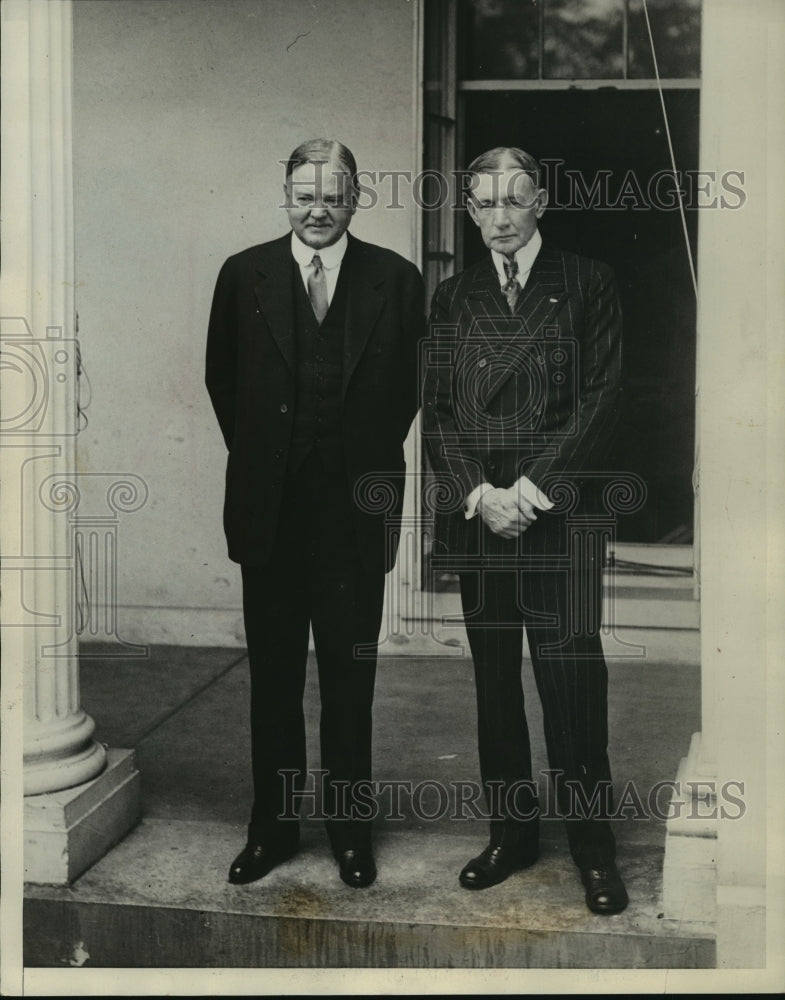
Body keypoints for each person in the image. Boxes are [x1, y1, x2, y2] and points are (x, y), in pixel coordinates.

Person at [206, 138, 424, 888]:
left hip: (354, 516)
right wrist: (275, 461)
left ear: (356, 197)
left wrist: (353, 461)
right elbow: (222, 382)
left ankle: (349, 833)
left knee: (348, 680)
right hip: (271, 514)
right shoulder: (244, 274)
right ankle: (270, 828)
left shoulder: (395, 280)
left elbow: (406, 392)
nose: (317, 208)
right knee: (272, 681)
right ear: (286, 196)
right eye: (304, 194)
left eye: (332, 195)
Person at [422, 146, 628, 914]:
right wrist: (478, 493)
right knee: (495, 681)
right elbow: (437, 409)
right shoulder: (454, 296)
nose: (499, 218)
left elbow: (604, 398)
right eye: (483, 205)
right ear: (469, 213)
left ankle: (593, 850)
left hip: (557, 515)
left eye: (513, 200)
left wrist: (531, 490)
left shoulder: (586, 281)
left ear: (539, 200)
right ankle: (510, 834)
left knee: (571, 682)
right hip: (481, 518)